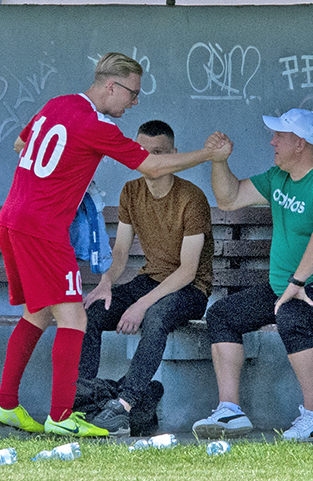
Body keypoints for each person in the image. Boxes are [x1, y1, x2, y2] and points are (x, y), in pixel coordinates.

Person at [0, 52, 222, 437]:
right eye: (132, 93)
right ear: (111, 86)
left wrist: (67, 171)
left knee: (38, 313)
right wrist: (207, 154)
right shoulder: (97, 126)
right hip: (45, 228)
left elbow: (19, 144)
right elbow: (151, 165)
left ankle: (7, 403)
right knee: (75, 318)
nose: (135, 102)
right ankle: (62, 416)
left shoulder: (58, 104)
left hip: (13, 218)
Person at [193, 108, 313, 441]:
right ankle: (230, 411)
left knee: (291, 315)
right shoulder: (278, 178)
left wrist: (297, 281)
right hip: (287, 288)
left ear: (300, 143)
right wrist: (219, 161)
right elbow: (229, 198)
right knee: (222, 315)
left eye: (279, 136)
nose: (272, 142)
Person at [77, 120, 214, 436]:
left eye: (158, 153)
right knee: (92, 311)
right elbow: (121, 252)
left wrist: (140, 305)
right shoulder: (131, 191)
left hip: (190, 290)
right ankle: (83, 400)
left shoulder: (191, 198)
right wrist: (106, 283)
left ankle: (124, 405)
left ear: (174, 154)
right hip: (151, 281)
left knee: (154, 316)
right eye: (142, 151)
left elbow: (188, 271)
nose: (149, 159)